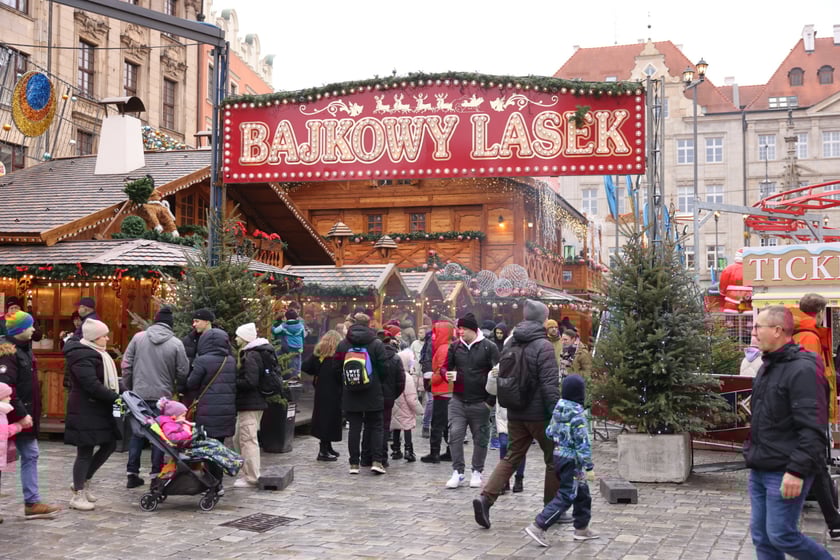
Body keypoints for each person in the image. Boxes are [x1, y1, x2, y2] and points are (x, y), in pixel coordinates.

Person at [744, 305, 833, 559]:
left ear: (777, 330)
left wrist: (796, 471)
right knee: (762, 537)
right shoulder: (767, 365)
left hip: (785, 470)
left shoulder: (802, 370)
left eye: (758, 327)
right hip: (761, 466)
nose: (754, 332)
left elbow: (813, 427)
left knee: (782, 535)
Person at [473, 299, 561, 530]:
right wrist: (556, 416)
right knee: (553, 459)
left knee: (512, 456)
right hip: (539, 414)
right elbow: (550, 385)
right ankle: (551, 510)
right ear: (543, 318)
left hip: (514, 410)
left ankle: (486, 498)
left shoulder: (511, 342)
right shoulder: (544, 346)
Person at [523, 374, 598, 547]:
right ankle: (539, 525)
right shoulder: (579, 415)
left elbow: (549, 432)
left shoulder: (559, 408)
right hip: (573, 462)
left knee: (582, 493)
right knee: (567, 495)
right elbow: (583, 443)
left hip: (558, 456)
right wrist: (589, 466)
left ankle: (581, 528)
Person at [0, 311, 60, 519]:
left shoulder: (25, 349)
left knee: (31, 454)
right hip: (8, 417)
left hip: (24, 415)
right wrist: (21, 415)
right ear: (19, 330)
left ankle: (32, 502)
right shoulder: (8, 353)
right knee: (2, 459)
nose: (34, 329)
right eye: (30, 326)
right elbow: (6, 388)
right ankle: (32, 501)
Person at [121, 306, 189, 488]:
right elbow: (183, 371)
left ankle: (132, 473)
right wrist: (175, 387)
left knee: (137, 433)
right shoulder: (176, 343)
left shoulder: (138, 338)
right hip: (163, 397)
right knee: (160, 436)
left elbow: (126, 365)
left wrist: (129, 388)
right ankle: (155, 475)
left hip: (138, 395)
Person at [791, 294, 840, 540]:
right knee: (817, 465)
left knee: (817, 466)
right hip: (811, 412)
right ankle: (834, 521)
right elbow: (812, 375)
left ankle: (834, 520)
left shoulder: (803, 334)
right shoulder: (810, 337)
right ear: (819, 311)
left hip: (808, 411)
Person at [63, 319, 121, 511]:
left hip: (98, 408)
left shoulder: (100, 354)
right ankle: (78, 494)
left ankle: (83, 481)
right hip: (84, 408)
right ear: (95, 338)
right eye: (104, 335)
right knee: (85, 450)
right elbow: (91, 384)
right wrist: (115, 397)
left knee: (110, 443)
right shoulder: (82, 356)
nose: (107, 338)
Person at [443, 312, 499, 489]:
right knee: (455, 435)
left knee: (480, 438)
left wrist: (489, 402)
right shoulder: (455, 347)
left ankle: (477, 471)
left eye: (464, 329)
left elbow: (498, 374)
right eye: (459, 328)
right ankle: (458, 472)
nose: (460, 332)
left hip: (480, 401)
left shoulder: (489, 347)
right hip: (458, 400)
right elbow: (445, 367)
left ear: (474, 330)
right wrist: (447, 375)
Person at [183, 327, 237, 492]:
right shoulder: (231, 360)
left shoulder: (202, 360)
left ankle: (210, 483)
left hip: (207, 411)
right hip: (226, 411)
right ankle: (218, 483)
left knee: (206, 448)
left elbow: (191, 383)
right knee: (218, 447)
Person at [337, 313, 389, 475]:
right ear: (369, 324)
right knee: (376, 426)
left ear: (353, 323)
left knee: (354, 428)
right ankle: (376, 461)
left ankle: (354, 464)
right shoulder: (376, 343)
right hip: (373, 391)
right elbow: (384, 368)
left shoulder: (344, 344)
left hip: (351, 392)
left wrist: (346, 383)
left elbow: (336, 367)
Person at [231, 322, 269, 487]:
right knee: (238, 438)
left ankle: (252, 476)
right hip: (250, 403)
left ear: (245, 338)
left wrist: (233, 382)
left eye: (238, 336)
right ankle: (245, 472)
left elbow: (251, 381)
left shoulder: (251, 356)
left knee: (248, 439)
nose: (236, 339)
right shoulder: (251, 353)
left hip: (251, 403)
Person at [301, 330, 344, 462]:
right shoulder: (337, 357)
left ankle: (327, 446)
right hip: (334, 391)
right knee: (329, 419)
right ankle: (323, 451)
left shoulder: (319, 355)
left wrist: (316, 372)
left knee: (325, 418)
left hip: (321, 391)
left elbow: (305, 367)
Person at [421, 316, 455, 464]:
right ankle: (450, 451)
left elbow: (441, 371)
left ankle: (434, 453)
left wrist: (430, 383)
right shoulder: (452, 346)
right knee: (449, 423)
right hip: (451, 390)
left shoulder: (443, 348)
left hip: (442, 390)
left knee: (437, 422)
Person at [390, 348, 423, 462]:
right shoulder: (407, 377)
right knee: (407, 427)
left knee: (396, 427)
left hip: (394, 407)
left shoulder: (393, 374)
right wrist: (419, 410)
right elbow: (411, 397)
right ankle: (408, 450)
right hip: (406, 409)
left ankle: (395, 450)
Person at [0, 381, 25, 524]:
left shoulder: (4, 411)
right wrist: (17, 426)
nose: (10, 398)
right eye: (7, 396)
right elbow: (2, 432)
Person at [272, 309, 306, 380]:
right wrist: (302, 345)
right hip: (299, 346)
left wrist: (272, 327)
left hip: (290, 346)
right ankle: (298, 373)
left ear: (286, 317)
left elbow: (275, 331)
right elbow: (303, 335)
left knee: (291, 361)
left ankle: (291, 376)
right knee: (298, 359)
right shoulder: (301, 325)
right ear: (296, 317)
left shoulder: (284, 325)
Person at [418, 325, 434, 439]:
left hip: (439, 373)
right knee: (431, 401)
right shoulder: (430, 343)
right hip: (430, 373)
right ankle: (426, 425)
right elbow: (426, 360)